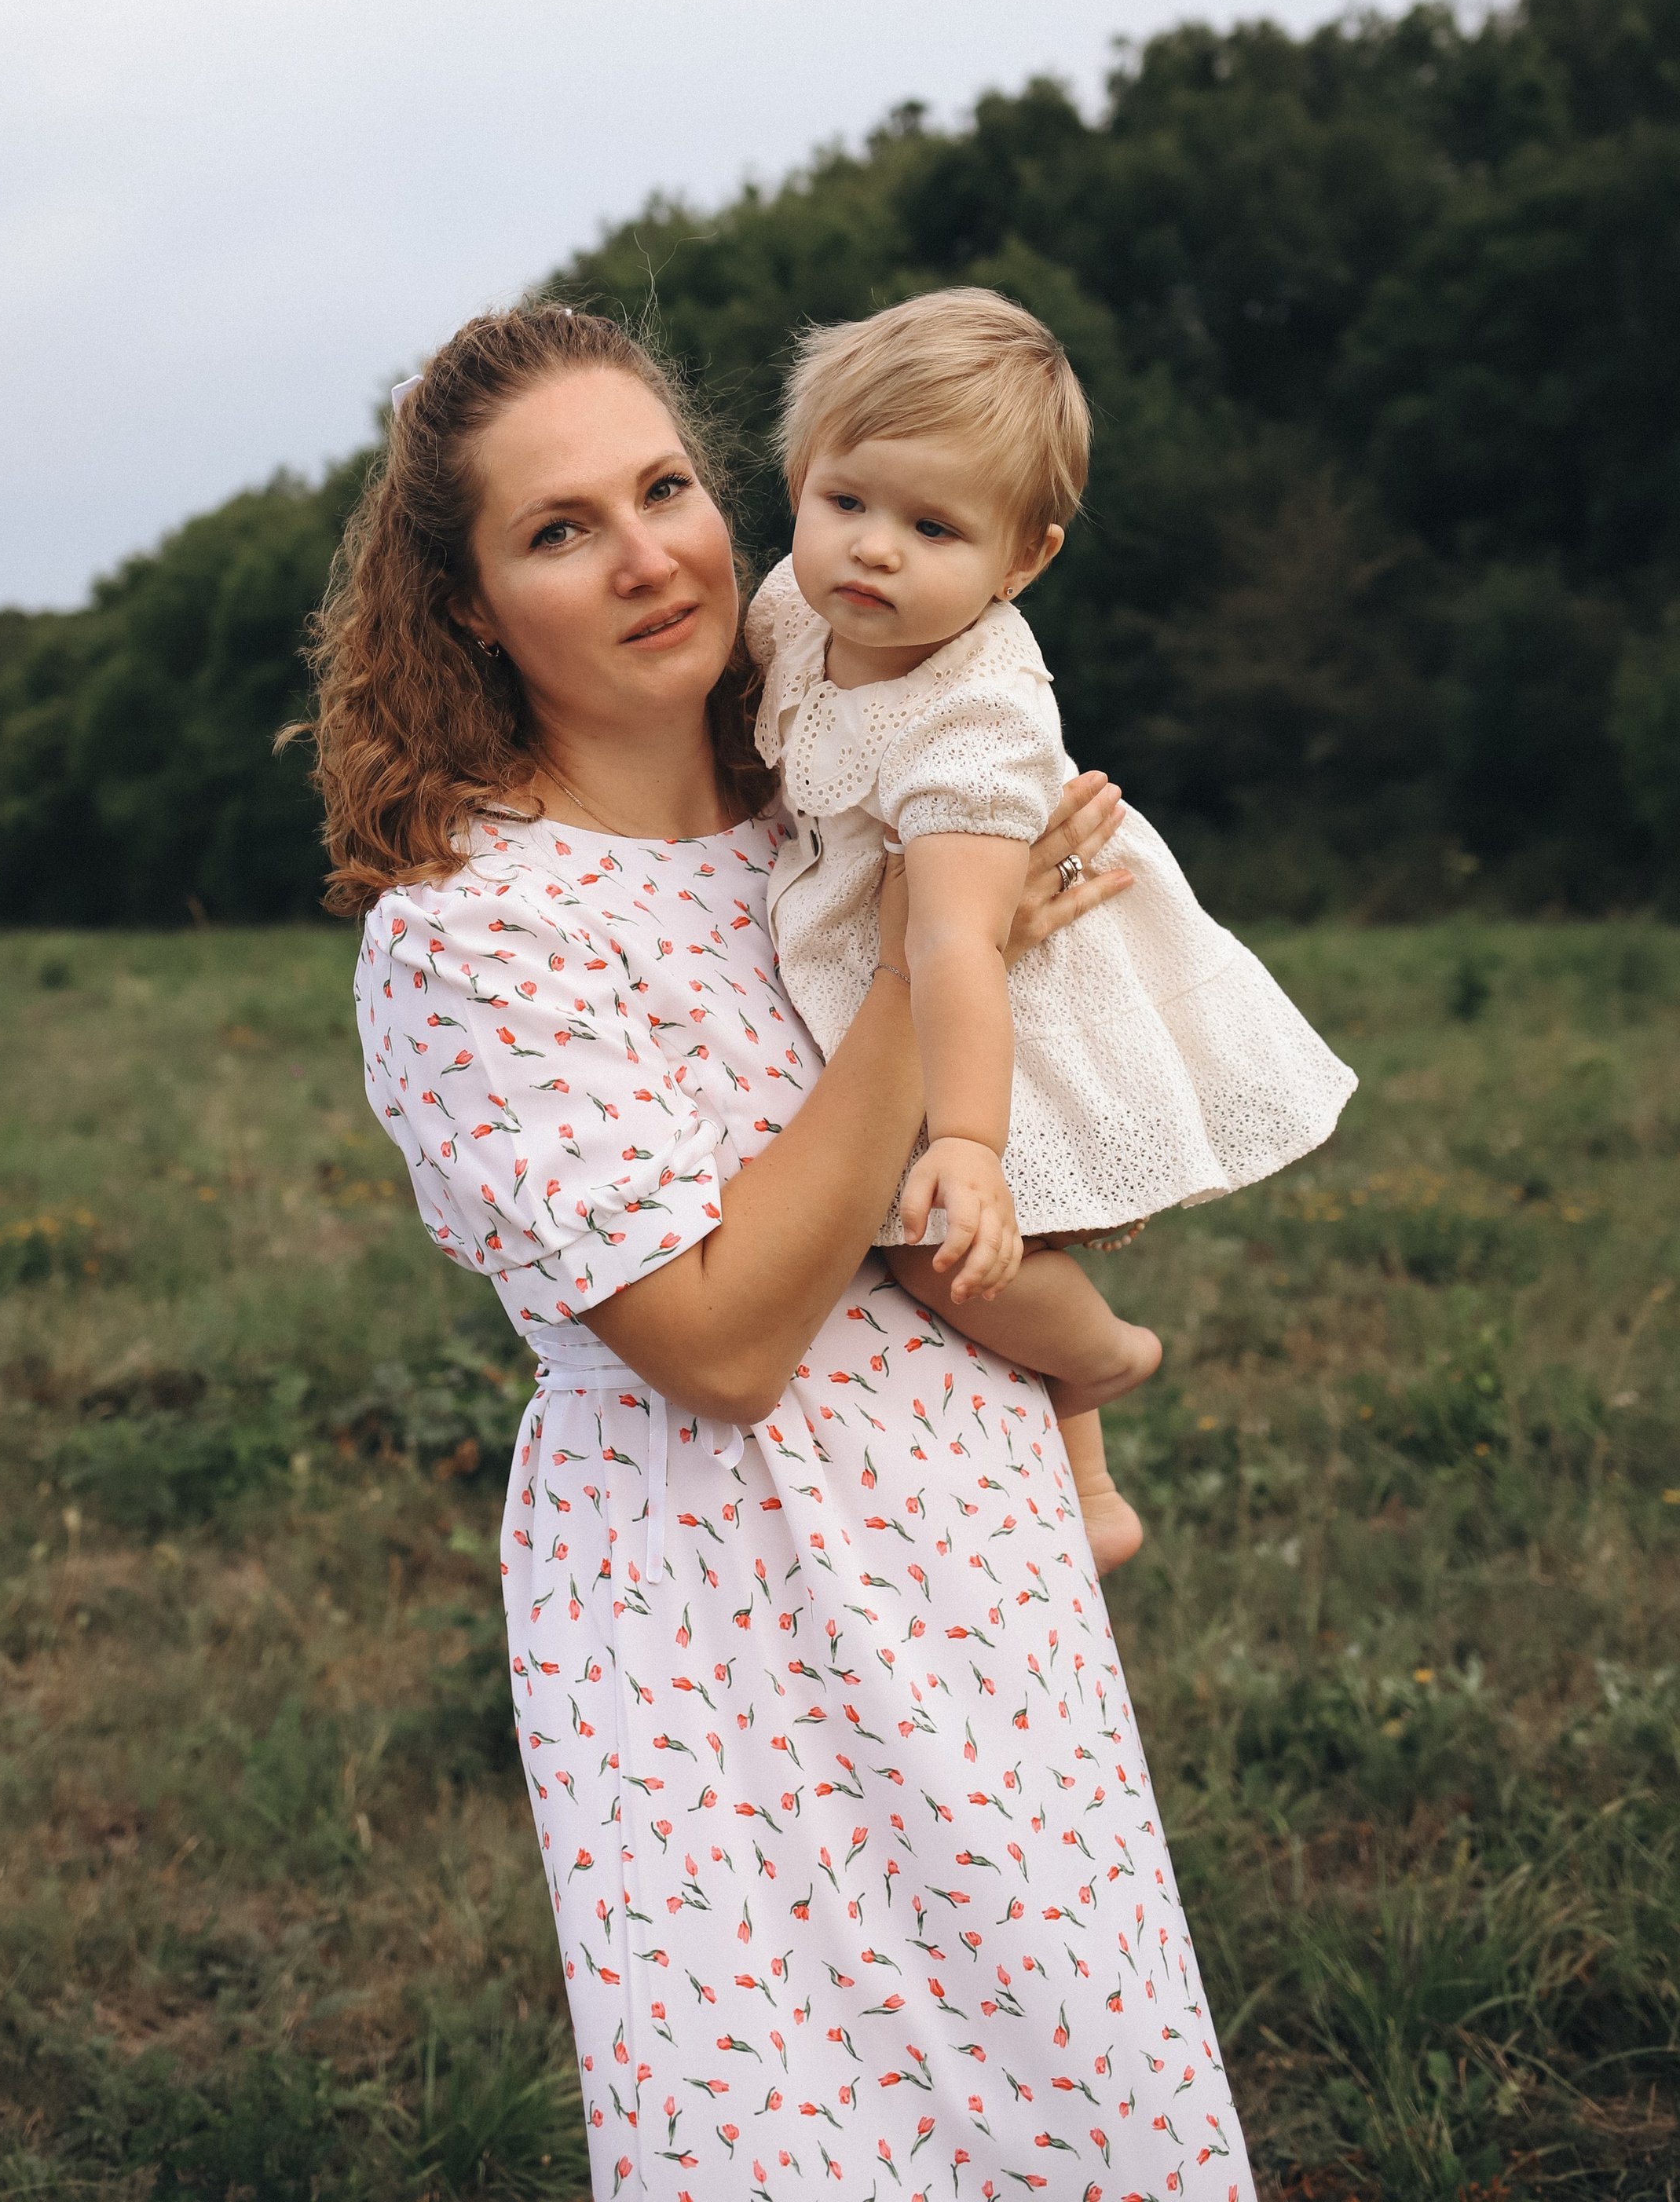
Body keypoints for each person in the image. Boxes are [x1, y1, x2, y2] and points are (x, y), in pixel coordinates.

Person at [306, 302, 1255, 2202]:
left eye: (664, 487)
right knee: (808, 2127)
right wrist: (940, 948)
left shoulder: (837, 795)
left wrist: (955, 899)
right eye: (559, 529)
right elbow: (723, 1343)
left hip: (977, 1547)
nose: (648, 551)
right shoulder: (473, 936)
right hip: (718, 1615)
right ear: (473, 604)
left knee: (1075, 2076)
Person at [748, 291, 1356, 1573]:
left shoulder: (975, 726)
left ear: (1023, 561)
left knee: (941, 1250)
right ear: (801, 478)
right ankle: (1089, 1493)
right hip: (895, 954)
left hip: (999, 997)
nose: (875, 552)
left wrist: (969, 1142)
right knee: (948, 1239)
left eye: (934, 528)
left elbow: (961, 947)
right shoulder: (792, 614)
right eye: (847, 502)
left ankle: (1106, 1358)